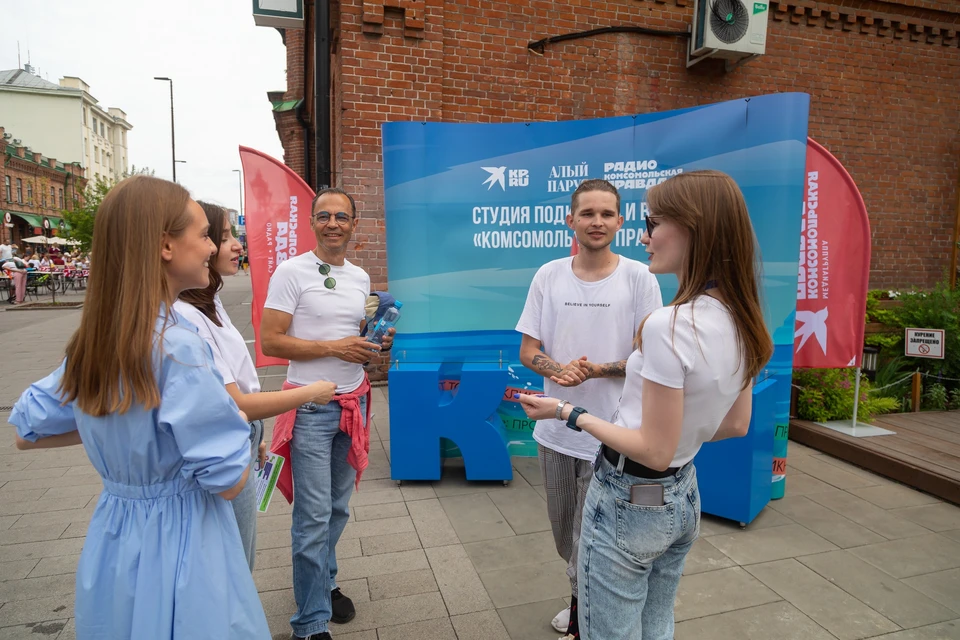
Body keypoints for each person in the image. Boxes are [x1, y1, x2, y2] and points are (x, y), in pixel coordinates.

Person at [9, 175, 271, 639]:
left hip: (115, 538)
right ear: (165, 245)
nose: (212, 247)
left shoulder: (96, 341)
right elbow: (228, 478)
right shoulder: (179, 347)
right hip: (185, 541)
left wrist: (126, 431)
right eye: (204, 233)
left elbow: (28, 430)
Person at [518, 170, 773, 640]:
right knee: (655, 625)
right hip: (682, 495)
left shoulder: (667, 323)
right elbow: (735, 424)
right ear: (570, 219)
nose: (643, 235)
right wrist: (667, 433)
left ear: (692, 227)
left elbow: (652, 450)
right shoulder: (742, 316)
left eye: (652, 223)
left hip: (626, 492)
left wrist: (567, 411)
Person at [516, 179, 662, 640]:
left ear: (620, 221)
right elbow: (528, 349)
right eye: (587, 214)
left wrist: (597, 370)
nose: (597, 222)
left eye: (606, 214)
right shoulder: (549, 274)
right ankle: (580, 595)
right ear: (571, 221)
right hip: (556, 433)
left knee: (595, 537)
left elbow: (647, 354)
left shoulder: (641, 277)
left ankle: (585, 614)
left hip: (614, 434)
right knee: (565, 534)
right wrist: (559, 371)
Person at [174, 201, 337, 571]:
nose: (232, 246)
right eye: (220, 236)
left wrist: (254, 431)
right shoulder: (186, 317)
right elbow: (234, 402)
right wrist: (310, 392)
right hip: (225, 443)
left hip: (241, 435)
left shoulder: (208, 303)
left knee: (239, 551)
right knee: (234, 561)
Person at [261, 187, 394, 640]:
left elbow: (352, 336)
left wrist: (373, 344)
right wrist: (335, 347)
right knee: (313, 516)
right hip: (310, 408)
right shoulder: (290, 271)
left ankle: (325, 581)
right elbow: (271, 341)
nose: (333, 223)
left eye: (342, 216)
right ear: (313, 223)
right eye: (324, 216)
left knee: (337, 509)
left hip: (352, 404)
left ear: (354, 225)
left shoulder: (359, 278)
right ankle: (310, 623)